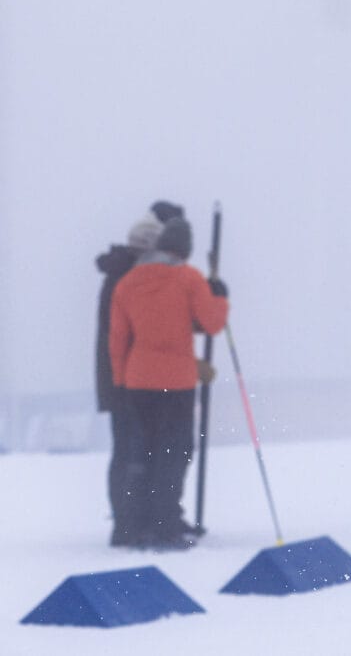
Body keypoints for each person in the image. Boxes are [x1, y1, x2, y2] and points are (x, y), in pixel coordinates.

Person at [108, 216, 229, 550]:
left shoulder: (128, 282)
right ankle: (166, 525)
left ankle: (136, 524)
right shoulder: (189, 278)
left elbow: (118, 339)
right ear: (184, 250)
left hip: (137, 381)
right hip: (175, 382)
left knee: (141, 453)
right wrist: (219, 296)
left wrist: (120, 379)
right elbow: (212, 322)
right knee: (174, 454)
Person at [95, 201, 184, 547]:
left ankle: (136, 520)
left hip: (126, 376)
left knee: (135, 450)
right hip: (127, 379)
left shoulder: (125, 271)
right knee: (131, 451)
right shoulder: (128, 276)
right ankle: (130, 523)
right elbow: (123, 333)